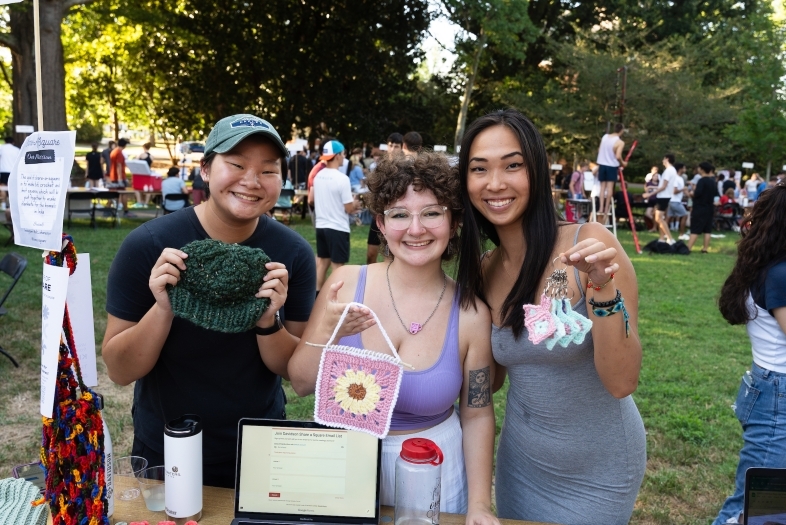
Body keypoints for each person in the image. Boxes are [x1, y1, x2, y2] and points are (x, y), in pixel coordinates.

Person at [102, 114, 316, 488]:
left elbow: (294, 370)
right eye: (235, 165)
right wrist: (164, 307)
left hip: (260, 442)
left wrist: (268, 321)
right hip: (168, 444)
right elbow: (120, 371)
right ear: (204, 169)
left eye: (268, 170)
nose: (251, 181)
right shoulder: (149, 246)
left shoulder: (292, 253)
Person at [288, 152, 499, 525]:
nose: (415, 229)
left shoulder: (471, 314)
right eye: (400, 214)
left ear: (453, 223)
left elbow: (478, 412)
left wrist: (480, 505)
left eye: (432, 213)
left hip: (435, 469)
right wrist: (326, 333)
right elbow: (302, 383)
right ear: (381, 225)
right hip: (344, 467)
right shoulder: (344, 285)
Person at [456, 109, 645, 525]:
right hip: (520, 464)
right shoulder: (484, 269)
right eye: (479, 169)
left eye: (513, 165)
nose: (495, 183)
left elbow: (622, 381)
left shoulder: (590, 244)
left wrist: (602, 290)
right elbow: (493, 380)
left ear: (537, 171)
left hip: (599, 471)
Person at [714, 182, 786, 525]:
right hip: (778, 399)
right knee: (758, 507)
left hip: (770, 391)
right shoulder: (780, 274)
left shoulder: (769, 265)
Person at [313, 140, 360, 294]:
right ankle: (336, 299)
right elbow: (349, 208)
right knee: (337, 267)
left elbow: (312, 199)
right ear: (338, 155)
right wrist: (355, 204)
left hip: (321, 226)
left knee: (323, 262)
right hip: (338, 227)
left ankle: (316, 297)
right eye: (343, 153)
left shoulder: (318, 176)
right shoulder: (342, 179)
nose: (344, 157)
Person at [595, 122, 627, 223]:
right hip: (611, 165)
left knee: (602, 187)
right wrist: (623, 163)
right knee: (609, 188)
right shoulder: (620, 142)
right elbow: (618, 156)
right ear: (621, 131)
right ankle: (605, 208)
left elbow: (599, 149)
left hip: (602, 164)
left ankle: (600, 207)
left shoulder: (605, 137)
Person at [686, 161, 719, 253]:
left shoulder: (702, 181)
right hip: (710, 207)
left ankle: (688, 247)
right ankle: (705, 248)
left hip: (700, 207)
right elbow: (716, 194)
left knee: (695, 228)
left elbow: (697, 193)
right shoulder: (713, 181)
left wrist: (691, 193)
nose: (698, 170)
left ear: (702, 169)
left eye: (699, 168)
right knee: (707, 229)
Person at [653, 154, 678, 244]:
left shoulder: (669, 171)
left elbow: (663, 186)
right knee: (661, 218)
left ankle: (670, 238)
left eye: (664, 159)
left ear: (667, 159)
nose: (663, 161)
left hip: (663, 196)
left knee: (659, 219)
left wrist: (650, 194)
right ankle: (661, 238)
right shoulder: (672, 170)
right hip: (665, 196)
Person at [0, 136, 20, 209]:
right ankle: (13, 206)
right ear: (13, 142)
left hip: (3, 170)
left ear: (5, 142)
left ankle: (3, 205)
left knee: (3, 187)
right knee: (13, 188)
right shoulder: (17, 150)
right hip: (13, 171)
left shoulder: (2, 148)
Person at [670, 162, 689, 240]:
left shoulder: (681, 178)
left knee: (668, 217)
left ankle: (664, 234)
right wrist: (683, 189)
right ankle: (681, 234)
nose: (685, 169)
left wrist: (686, 193)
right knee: (685, 215)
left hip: (675, 200)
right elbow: (674, 191)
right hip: (674, 201)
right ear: (680, 169)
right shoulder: (675, 178)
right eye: (684, 168)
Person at [642, 168, 660, 232]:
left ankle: (655, 227)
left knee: (655, 214)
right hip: (650, 200)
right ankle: (657, 223)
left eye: (657, 176)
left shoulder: (659, 184)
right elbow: (646, 190)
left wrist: (651, 187)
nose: (656, 177)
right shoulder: (649, 183)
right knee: (648, 214)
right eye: (655, 176)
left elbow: (660, 188)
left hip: (657, 201)